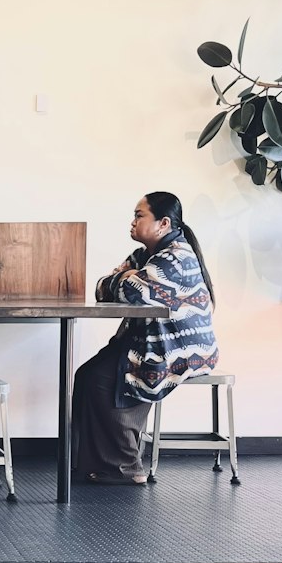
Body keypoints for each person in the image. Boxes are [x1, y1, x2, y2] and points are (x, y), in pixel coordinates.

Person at [72, 191, 218, 486]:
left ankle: (127, 467)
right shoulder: (145, 256)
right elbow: (102, 288)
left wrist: (127, 279)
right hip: (147, 339)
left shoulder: (177, 256)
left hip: (177, 348)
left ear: (163, 223)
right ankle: (98, 464)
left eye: (139, 215)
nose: (132, 221)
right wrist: (127, 277)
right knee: (87, 374)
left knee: (101, 378)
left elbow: (133, 292)